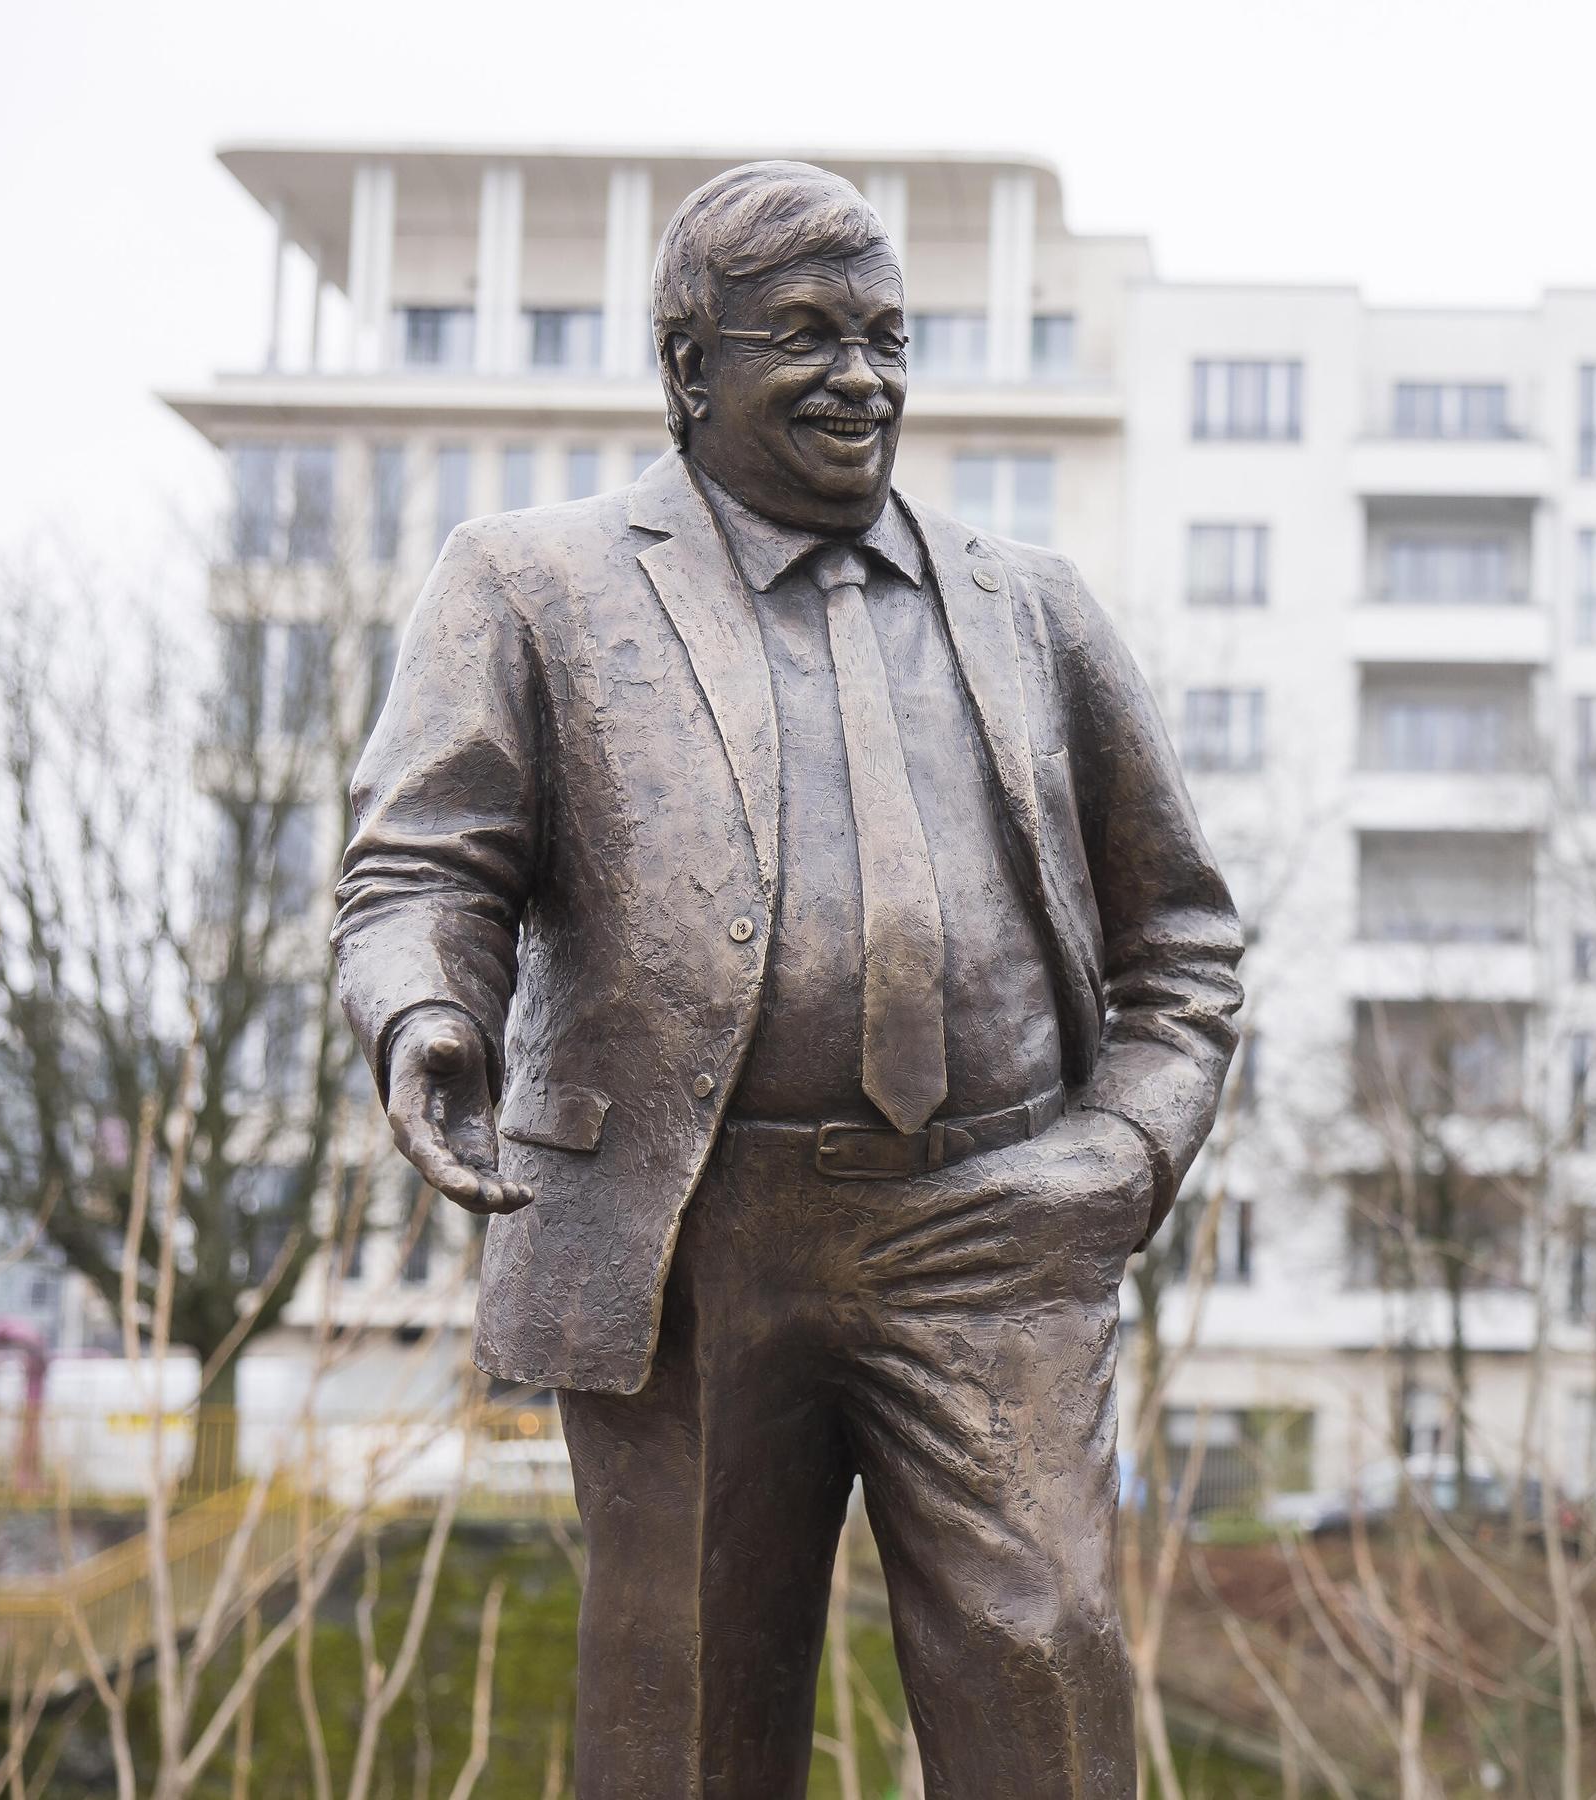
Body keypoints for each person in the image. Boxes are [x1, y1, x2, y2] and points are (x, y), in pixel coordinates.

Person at [334, 159, 1243, 1800]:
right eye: (811, 335)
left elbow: (1182, 942)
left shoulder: (1034, 610)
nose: (865, 376)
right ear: (688, 370)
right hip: (687, 1244)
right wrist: (427, 1015)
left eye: (891, 335)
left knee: (1045, 1671)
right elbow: (421, 866)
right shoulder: (529, 583)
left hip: (990, 1232)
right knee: (682, 1719)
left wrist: (1115, 1160)